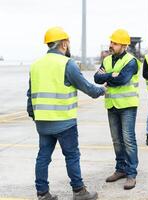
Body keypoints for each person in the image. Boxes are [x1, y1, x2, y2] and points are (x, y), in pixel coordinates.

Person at [27, 27, 106, 200]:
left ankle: (42, 193)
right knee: (71, 155)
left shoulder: (36, 65)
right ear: (63, 44)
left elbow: (30, 94)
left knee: (43, 157)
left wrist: (35, 117)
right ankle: (79, 191)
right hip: (64, 122)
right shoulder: (67, 64)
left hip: (43, 122)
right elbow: (87, 88)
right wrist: (102, 90)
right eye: (68, 42)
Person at [94, 29, 140, 190]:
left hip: (127, 105)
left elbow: (122, 79)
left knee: (128, 140)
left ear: (124, 45)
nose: (111, 45)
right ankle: (120, 169)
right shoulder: (107, 60)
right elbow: (96, 78)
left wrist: (110, 76)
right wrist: (111, 75)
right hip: (112, 105)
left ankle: (131, 173)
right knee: (116, 140)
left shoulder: (131, 61)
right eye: (111, 42)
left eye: (114, 43)